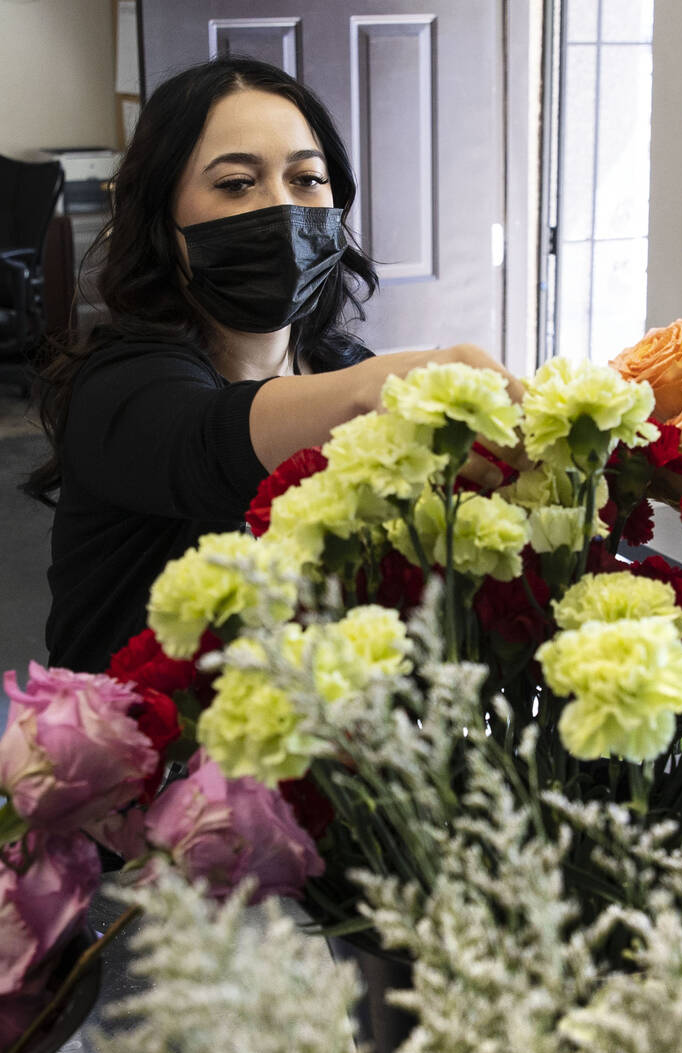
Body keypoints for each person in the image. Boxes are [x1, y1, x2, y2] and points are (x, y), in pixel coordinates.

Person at [24, 57, 520, 674]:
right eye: (236, 184)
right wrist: (402, 383)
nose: (283, 210)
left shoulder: (338, 367)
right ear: (161, 214)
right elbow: (211, 441)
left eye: (307, 179)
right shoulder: (123, 387)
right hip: (144, 759)